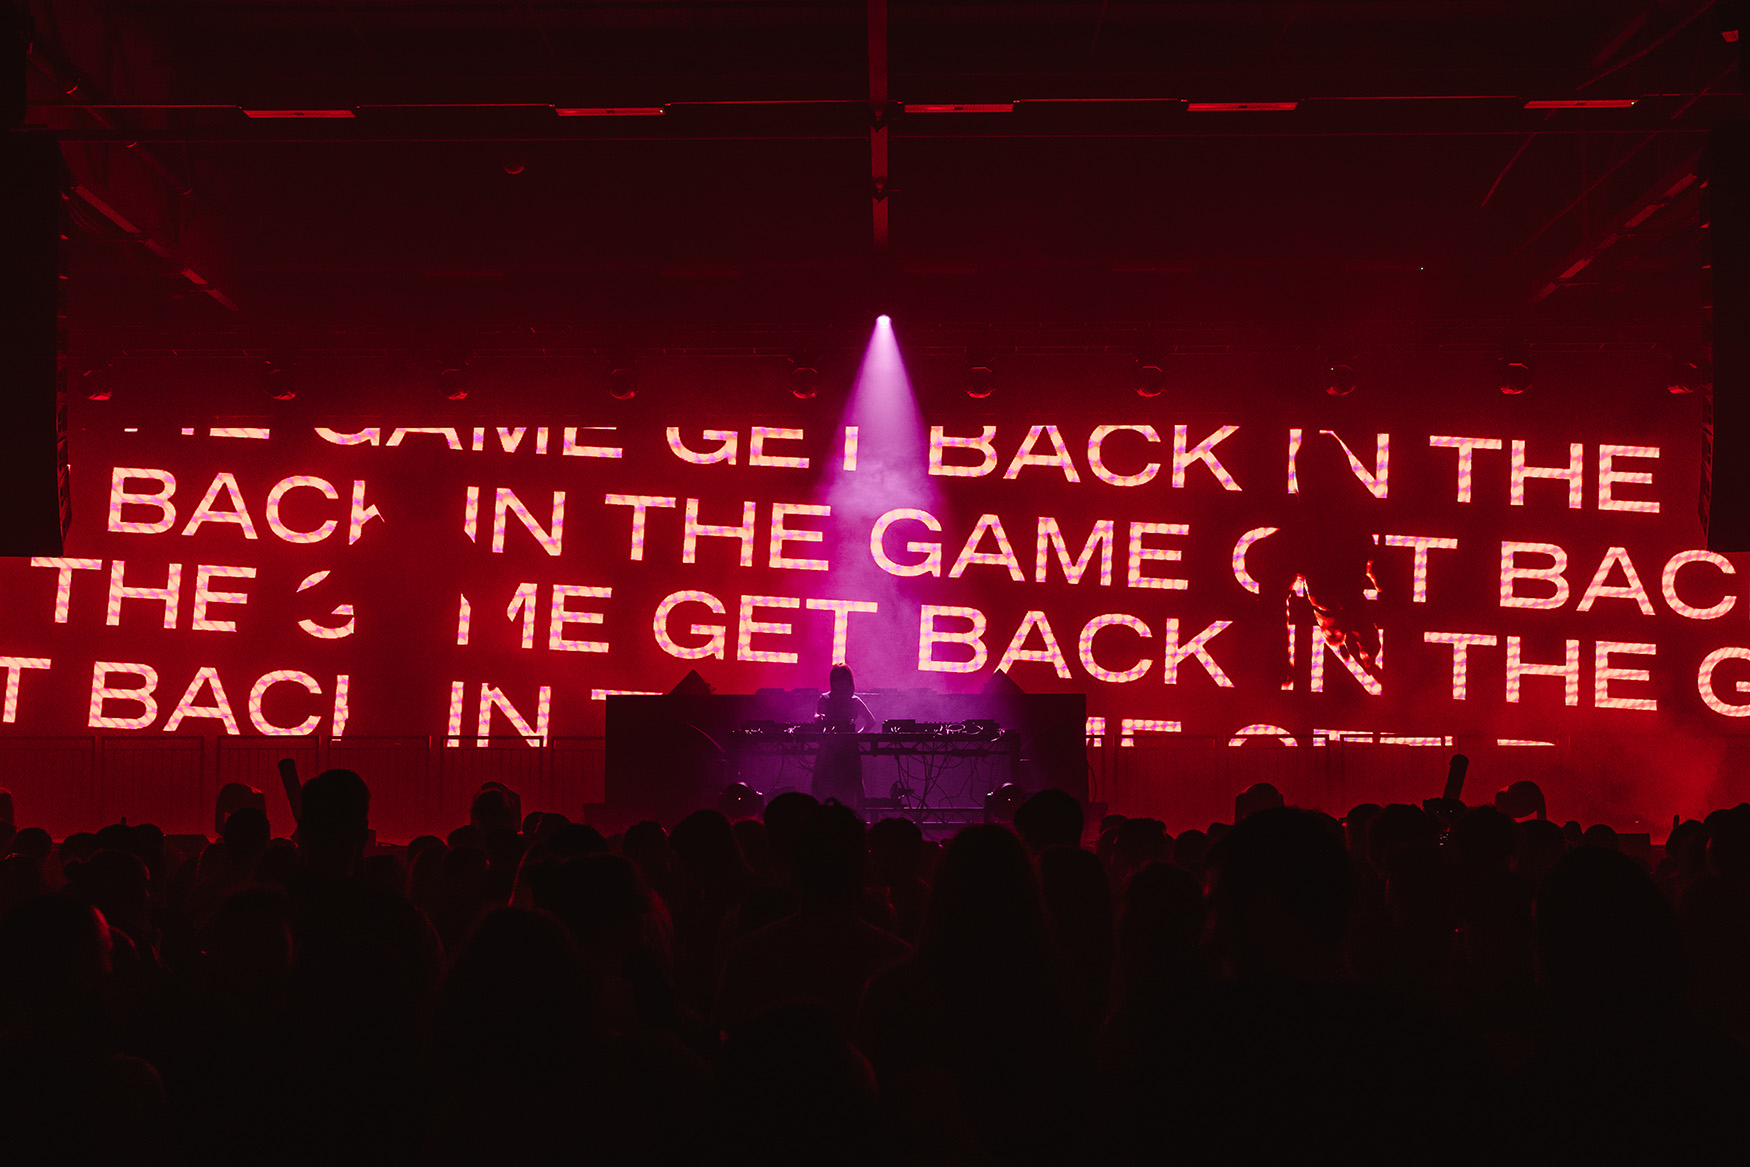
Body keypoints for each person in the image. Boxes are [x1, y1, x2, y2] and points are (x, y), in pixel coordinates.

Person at [811, 664, 873, 809]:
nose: (839, 683)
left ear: (848, 681)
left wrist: (857, 735)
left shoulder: (854, 701)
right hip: (829, 747)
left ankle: (856, 816)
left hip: (848, 748)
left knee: (853, 782)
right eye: (836, 679)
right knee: (824, 782)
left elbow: (871, 721)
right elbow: (816, 714)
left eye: (842, 679)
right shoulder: (825, 698)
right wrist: (818, 717)